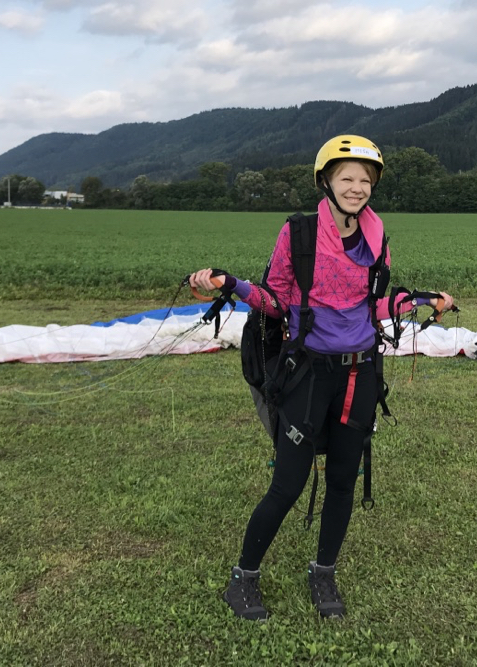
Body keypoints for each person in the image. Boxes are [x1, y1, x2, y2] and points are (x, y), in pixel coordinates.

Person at [189, 135, 453, 621]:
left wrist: (418, 301)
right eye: (347, 178)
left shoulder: (377, 237)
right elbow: (277, 299)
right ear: (326, 181)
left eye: (365, 181)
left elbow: (373, 304)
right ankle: (243, 579)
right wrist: (232, 284)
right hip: (308, 374)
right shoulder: (299, 233)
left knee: (343, 482)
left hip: (359, 374)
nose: (357, 188)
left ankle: (323, 571)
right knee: (287, 485)